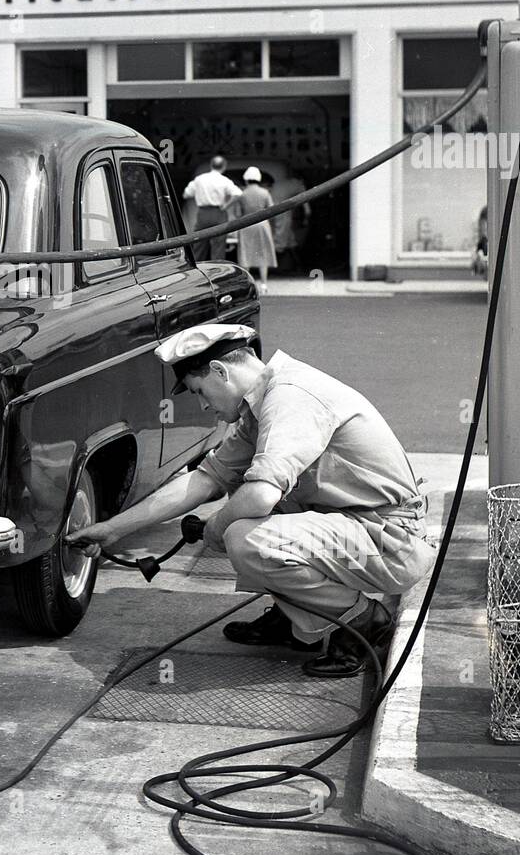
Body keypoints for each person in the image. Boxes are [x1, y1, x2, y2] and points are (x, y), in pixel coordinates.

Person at [69, 323, 434, 678]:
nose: (204, 405)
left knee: (245, 534)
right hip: (357, 526)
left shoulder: (290, 396)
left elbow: (260, 496)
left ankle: (363, 623)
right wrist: (113, 529)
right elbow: (203, 481)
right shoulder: (259, 406)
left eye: (199, 391)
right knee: (243, 495)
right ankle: (298, 617)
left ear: (219, 371)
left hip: (390, 539)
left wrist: (217, 525)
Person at [182, 155, 240, 262]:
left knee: (199, 243)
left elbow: (186, 194)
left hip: (203, 213)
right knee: (219, 245)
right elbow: (237, 194)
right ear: (224, 166)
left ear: (211, 165)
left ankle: (197, 267)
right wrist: (226, 205)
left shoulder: (200, 179)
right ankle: (217, 270)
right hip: (219, 212)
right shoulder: (224, 180)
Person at [234, 166, 276, 293]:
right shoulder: (265, 193)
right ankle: (264, 284)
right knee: (263, 254)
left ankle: (247, 284)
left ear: (246, 179)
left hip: (246, 225)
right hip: (262, 225)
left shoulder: (242, 194)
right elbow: (272, 210)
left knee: (245, 255)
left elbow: (237, 213)